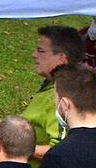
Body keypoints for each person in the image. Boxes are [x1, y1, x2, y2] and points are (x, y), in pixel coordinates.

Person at [22, 24, 84, 158]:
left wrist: (12, 148)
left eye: (40, 51)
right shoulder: (60, 84)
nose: (34, 55)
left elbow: (61, 150)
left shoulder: (64, 97)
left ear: (61, 58)